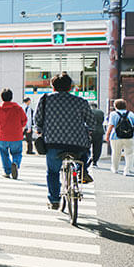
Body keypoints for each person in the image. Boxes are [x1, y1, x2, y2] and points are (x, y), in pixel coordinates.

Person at [34, 72, 94, 209]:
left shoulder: (45, 99)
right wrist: (88, 130)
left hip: (53, 142)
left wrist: (40, 129)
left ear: (53, 87)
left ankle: (54, 200)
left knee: (53, 172)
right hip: (78, 143)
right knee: (84, 151)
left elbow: (38, 120)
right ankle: (81, 170)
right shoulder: (81, 101)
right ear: (70, 87)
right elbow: (92, 122)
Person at [0, 88, 27, 179]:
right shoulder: (18, 108)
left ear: (2, 97)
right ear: (11, 97)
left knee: (4, 154)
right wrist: (20, 127)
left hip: (2, 136)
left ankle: (7, 172)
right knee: (17, 153)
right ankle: (15, 163)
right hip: (16, 136)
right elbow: (24, 120)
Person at [106, 98, 134, 175]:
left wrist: (107, 135)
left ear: (115, 106)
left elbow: (111, 125)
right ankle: (127, 171)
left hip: (116, 137)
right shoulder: (131, 114)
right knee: (129, 154)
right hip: (129, 137)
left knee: (116, 153)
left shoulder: (113, 114)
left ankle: (115, 169)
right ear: (125, 106)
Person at [88, 101, 105, 168]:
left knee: (86, 147)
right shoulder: (101, 112)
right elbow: (102, 121)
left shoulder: (88, 111)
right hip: (99, 131)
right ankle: (94, 162)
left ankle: (87, 160)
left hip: (89, 131)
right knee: (97, 148)